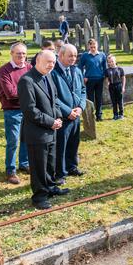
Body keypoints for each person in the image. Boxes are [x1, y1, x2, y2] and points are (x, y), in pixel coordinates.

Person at [18, 50, 70, 210]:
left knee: (50, 164)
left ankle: (51, 187)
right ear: (37, 61)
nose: (51, 65)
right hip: (37, 133)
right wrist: (51, 122)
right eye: (48, 62)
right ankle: (39, 197)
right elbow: (30, 110)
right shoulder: (27, 81)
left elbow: (54, 100)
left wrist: (59, 118)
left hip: (52, 130)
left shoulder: (48, 76)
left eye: (53, 62)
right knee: (39, 167)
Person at [51, 44, 87, 185]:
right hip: (62, 116)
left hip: (76, 115)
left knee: (74, 142)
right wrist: (67, 111)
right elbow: (53, 97)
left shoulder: (77, 70)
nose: (73, 58)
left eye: (75, 55)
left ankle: (72, 166)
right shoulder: (53, 73)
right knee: (61, 146)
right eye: (70, 56)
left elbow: (83, 90)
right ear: (60, 55)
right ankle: (59, 173)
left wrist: (80, 108)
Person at [0, 42, 32, 184]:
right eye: (18, 53)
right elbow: (10, 93)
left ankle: (24, 164)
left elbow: (35, 86)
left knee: (25, 138)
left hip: (28, 109)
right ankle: (10, 170)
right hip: (12, 110)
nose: (22, 56)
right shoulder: (4, 70)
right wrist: (29, 92)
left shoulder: (29, 67)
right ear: (11, 54)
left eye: (24, 53)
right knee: (13, 141)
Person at [78, 38, 107, 122]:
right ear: (88, 47)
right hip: (89, 80)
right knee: (90, 99)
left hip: (99, 79)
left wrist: (105, 76)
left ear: (97, 46)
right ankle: (91, 116)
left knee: (99, 98)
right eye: (91, 47)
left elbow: (105, 67)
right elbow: (79, 67)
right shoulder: (85, 55)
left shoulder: (102, 55)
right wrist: (83, 76)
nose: (93, 49)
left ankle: (99, 115)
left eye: (94, 47)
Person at [104, 54, 126, 120]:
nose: (111, 63)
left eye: (112, 61)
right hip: (111, 86)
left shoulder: (120, 69)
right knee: (114, 101)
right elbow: (107, 79)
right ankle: (115, 115)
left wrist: (123, 87)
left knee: (120, 101)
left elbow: (123, 78)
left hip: (119, 85)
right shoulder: (107, 70)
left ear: (115, 61)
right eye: (109, 62)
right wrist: (107, 84)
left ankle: (121, 114)